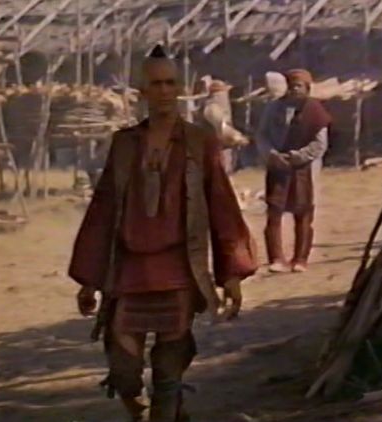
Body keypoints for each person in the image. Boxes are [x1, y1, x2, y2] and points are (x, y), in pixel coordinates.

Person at [68, 45, 257, 422]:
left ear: (180, 88)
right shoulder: (125, 144)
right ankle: (142, 407)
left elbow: (221, 205)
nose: (165, 91)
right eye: (156, 84)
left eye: (171, 83)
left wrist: (231, 275)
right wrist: (89, 279)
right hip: (129, 270)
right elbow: (103, 209)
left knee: (169, 371)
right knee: (124, 368)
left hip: (178, 270)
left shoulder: (199, 142)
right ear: (143, 91)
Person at [256, 69, 331, 273]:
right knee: (274, 211)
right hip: (277, 166)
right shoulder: (273, 108)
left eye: (299, 86)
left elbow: (320, 143)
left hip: (305, 168)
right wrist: (272, 155)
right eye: (292, 86)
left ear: (307, 88)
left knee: (303, 212)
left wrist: (298, 156)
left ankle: (300, 259)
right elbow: (262, 135)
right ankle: (276, 258)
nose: (295, 89)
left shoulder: (315, 111)